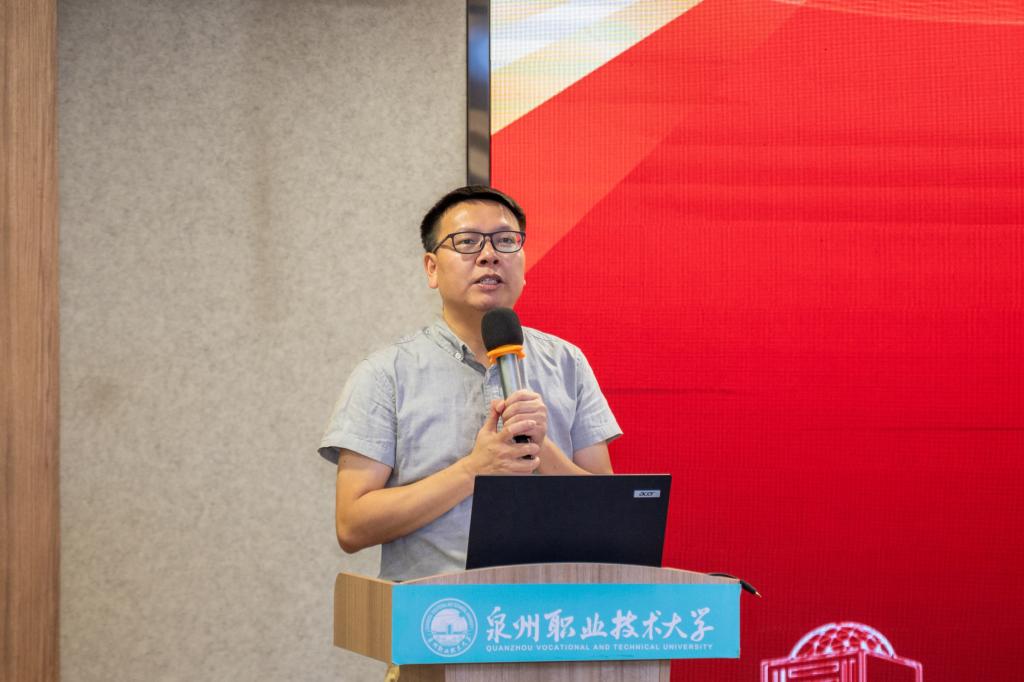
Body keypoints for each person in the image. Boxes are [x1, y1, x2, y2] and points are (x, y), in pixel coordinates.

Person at [318, 186, 621, 581]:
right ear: (431, 268)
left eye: (505, 240)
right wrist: (474, 470)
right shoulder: (384, 374)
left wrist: (540, 449)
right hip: (439, 613)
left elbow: (610, 518)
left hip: (554, 608)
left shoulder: (568, 363)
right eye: (466, 242)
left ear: (523, 262)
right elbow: (352, 526)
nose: (489, 255)